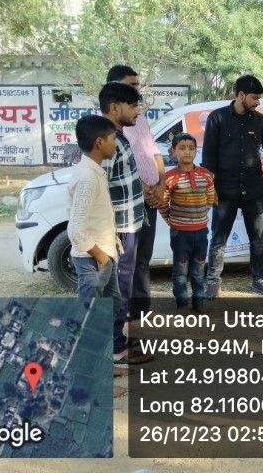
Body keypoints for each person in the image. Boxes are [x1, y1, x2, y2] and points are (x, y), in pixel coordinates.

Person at [202, 75, 263, 297]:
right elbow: (208, 157)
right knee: (218, 239)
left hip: (254, 191)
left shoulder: (261, 121)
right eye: (254, 98)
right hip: (224, 191)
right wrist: (210, 188)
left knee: (258, 240)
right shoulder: (217, 118)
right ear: (241, 95)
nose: (258, 102)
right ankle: (213, 282)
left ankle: (259, 280)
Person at [106, 65, 166, 321]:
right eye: (132, 85)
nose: (137, 91)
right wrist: (145, 189)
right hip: (130, 201)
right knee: (126, 260)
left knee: (143, 257)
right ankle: (124, 314)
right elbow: (120, 168)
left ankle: (141, 310)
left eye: (138, 86)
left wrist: (161, 184)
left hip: (151, 198)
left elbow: (154, 151)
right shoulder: (104, 126)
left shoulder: (139, 118)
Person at [99, 81, 152, 366]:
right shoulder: (105, 140)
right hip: (117, 229)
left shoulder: (118, 136)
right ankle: (116, 349)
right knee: (117, 287)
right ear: (114, 107)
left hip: (128, 225)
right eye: (132, 106)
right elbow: (100, 188)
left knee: (124, 285)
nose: (137, 112)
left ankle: (119, 338)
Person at [68, 115, 121, 357]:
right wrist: (101, 257)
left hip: (103, 255)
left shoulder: (94, 172)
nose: (115, 144)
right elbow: (76, 230)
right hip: (93, 260)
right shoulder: (87, 178)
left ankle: (111, 357)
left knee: (112, 308)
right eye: (113, 139)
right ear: (100, 142)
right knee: (91, 320)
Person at [159, 133, 216, 315]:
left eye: (191, 148)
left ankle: (198, 301)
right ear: (173, 151)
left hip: (201, 232)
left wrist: (199, 216)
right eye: (182, 148)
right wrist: (172, 221)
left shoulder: (206, 175)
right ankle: (182, 303)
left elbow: (210, 199)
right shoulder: (169, 177)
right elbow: (162, 203)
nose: (187, 152)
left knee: (198, 269)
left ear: (196, 151)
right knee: (180, 270)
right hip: (180, 234)